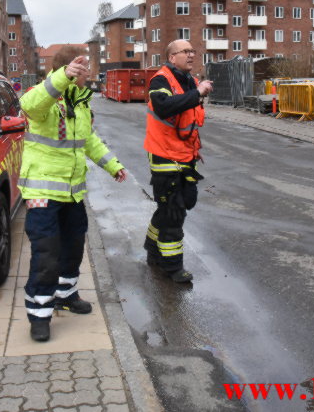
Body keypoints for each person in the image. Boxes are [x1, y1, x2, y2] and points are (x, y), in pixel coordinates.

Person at [19, 46, 127, 342]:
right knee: (46, 253)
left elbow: (88, 141)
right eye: (83, 67)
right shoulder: (46, 98)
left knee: (73, 246)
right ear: (68, 69)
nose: (88, 72)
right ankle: (39, 314)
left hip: (72, 193)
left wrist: (113, 166)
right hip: (42, 191)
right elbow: (29, 105)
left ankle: (65, 294)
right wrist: (62, 77)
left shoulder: (80, 104)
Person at [143, 40, 212, 283]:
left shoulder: (189, 81)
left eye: (193, 51)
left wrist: (196, 148)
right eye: (186, 51)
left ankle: (152, 248)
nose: (192, 55)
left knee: (173, 207)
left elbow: (188, 121)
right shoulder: (161, 80)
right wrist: (198, 93)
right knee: (174, 213)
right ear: (172, 57)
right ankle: (172, 267)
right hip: (165, 157)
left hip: (184, 155)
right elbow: (163, 108)